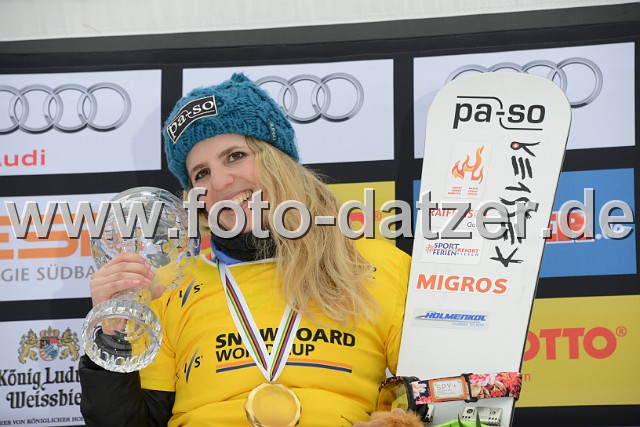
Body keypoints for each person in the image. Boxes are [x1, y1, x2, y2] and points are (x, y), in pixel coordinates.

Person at [79, 72, 411, 427]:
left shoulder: (375, 265)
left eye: (235, 156)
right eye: (201, 174)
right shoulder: (169, 287)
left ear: (277, 158)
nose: (220, 182)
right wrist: (111, 332)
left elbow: (438, 394)